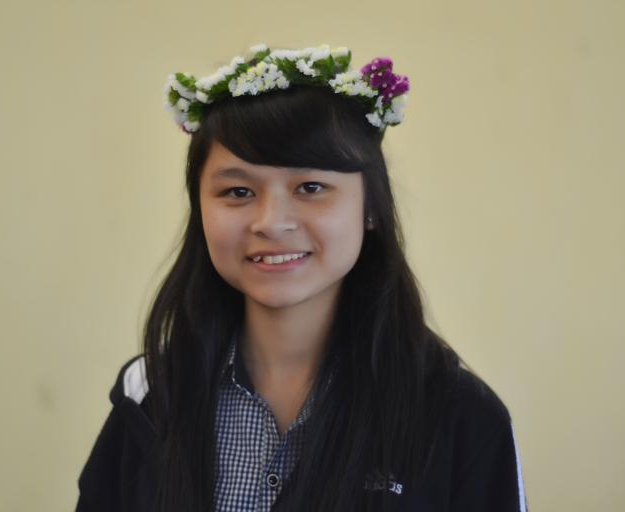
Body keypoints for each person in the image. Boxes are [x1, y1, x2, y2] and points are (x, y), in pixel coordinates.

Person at [75, 43, 528, 511]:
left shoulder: (459, 417)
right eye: (237, 191)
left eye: (311, 187)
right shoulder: (150, 399)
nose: (271, 222)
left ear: (371, 208)